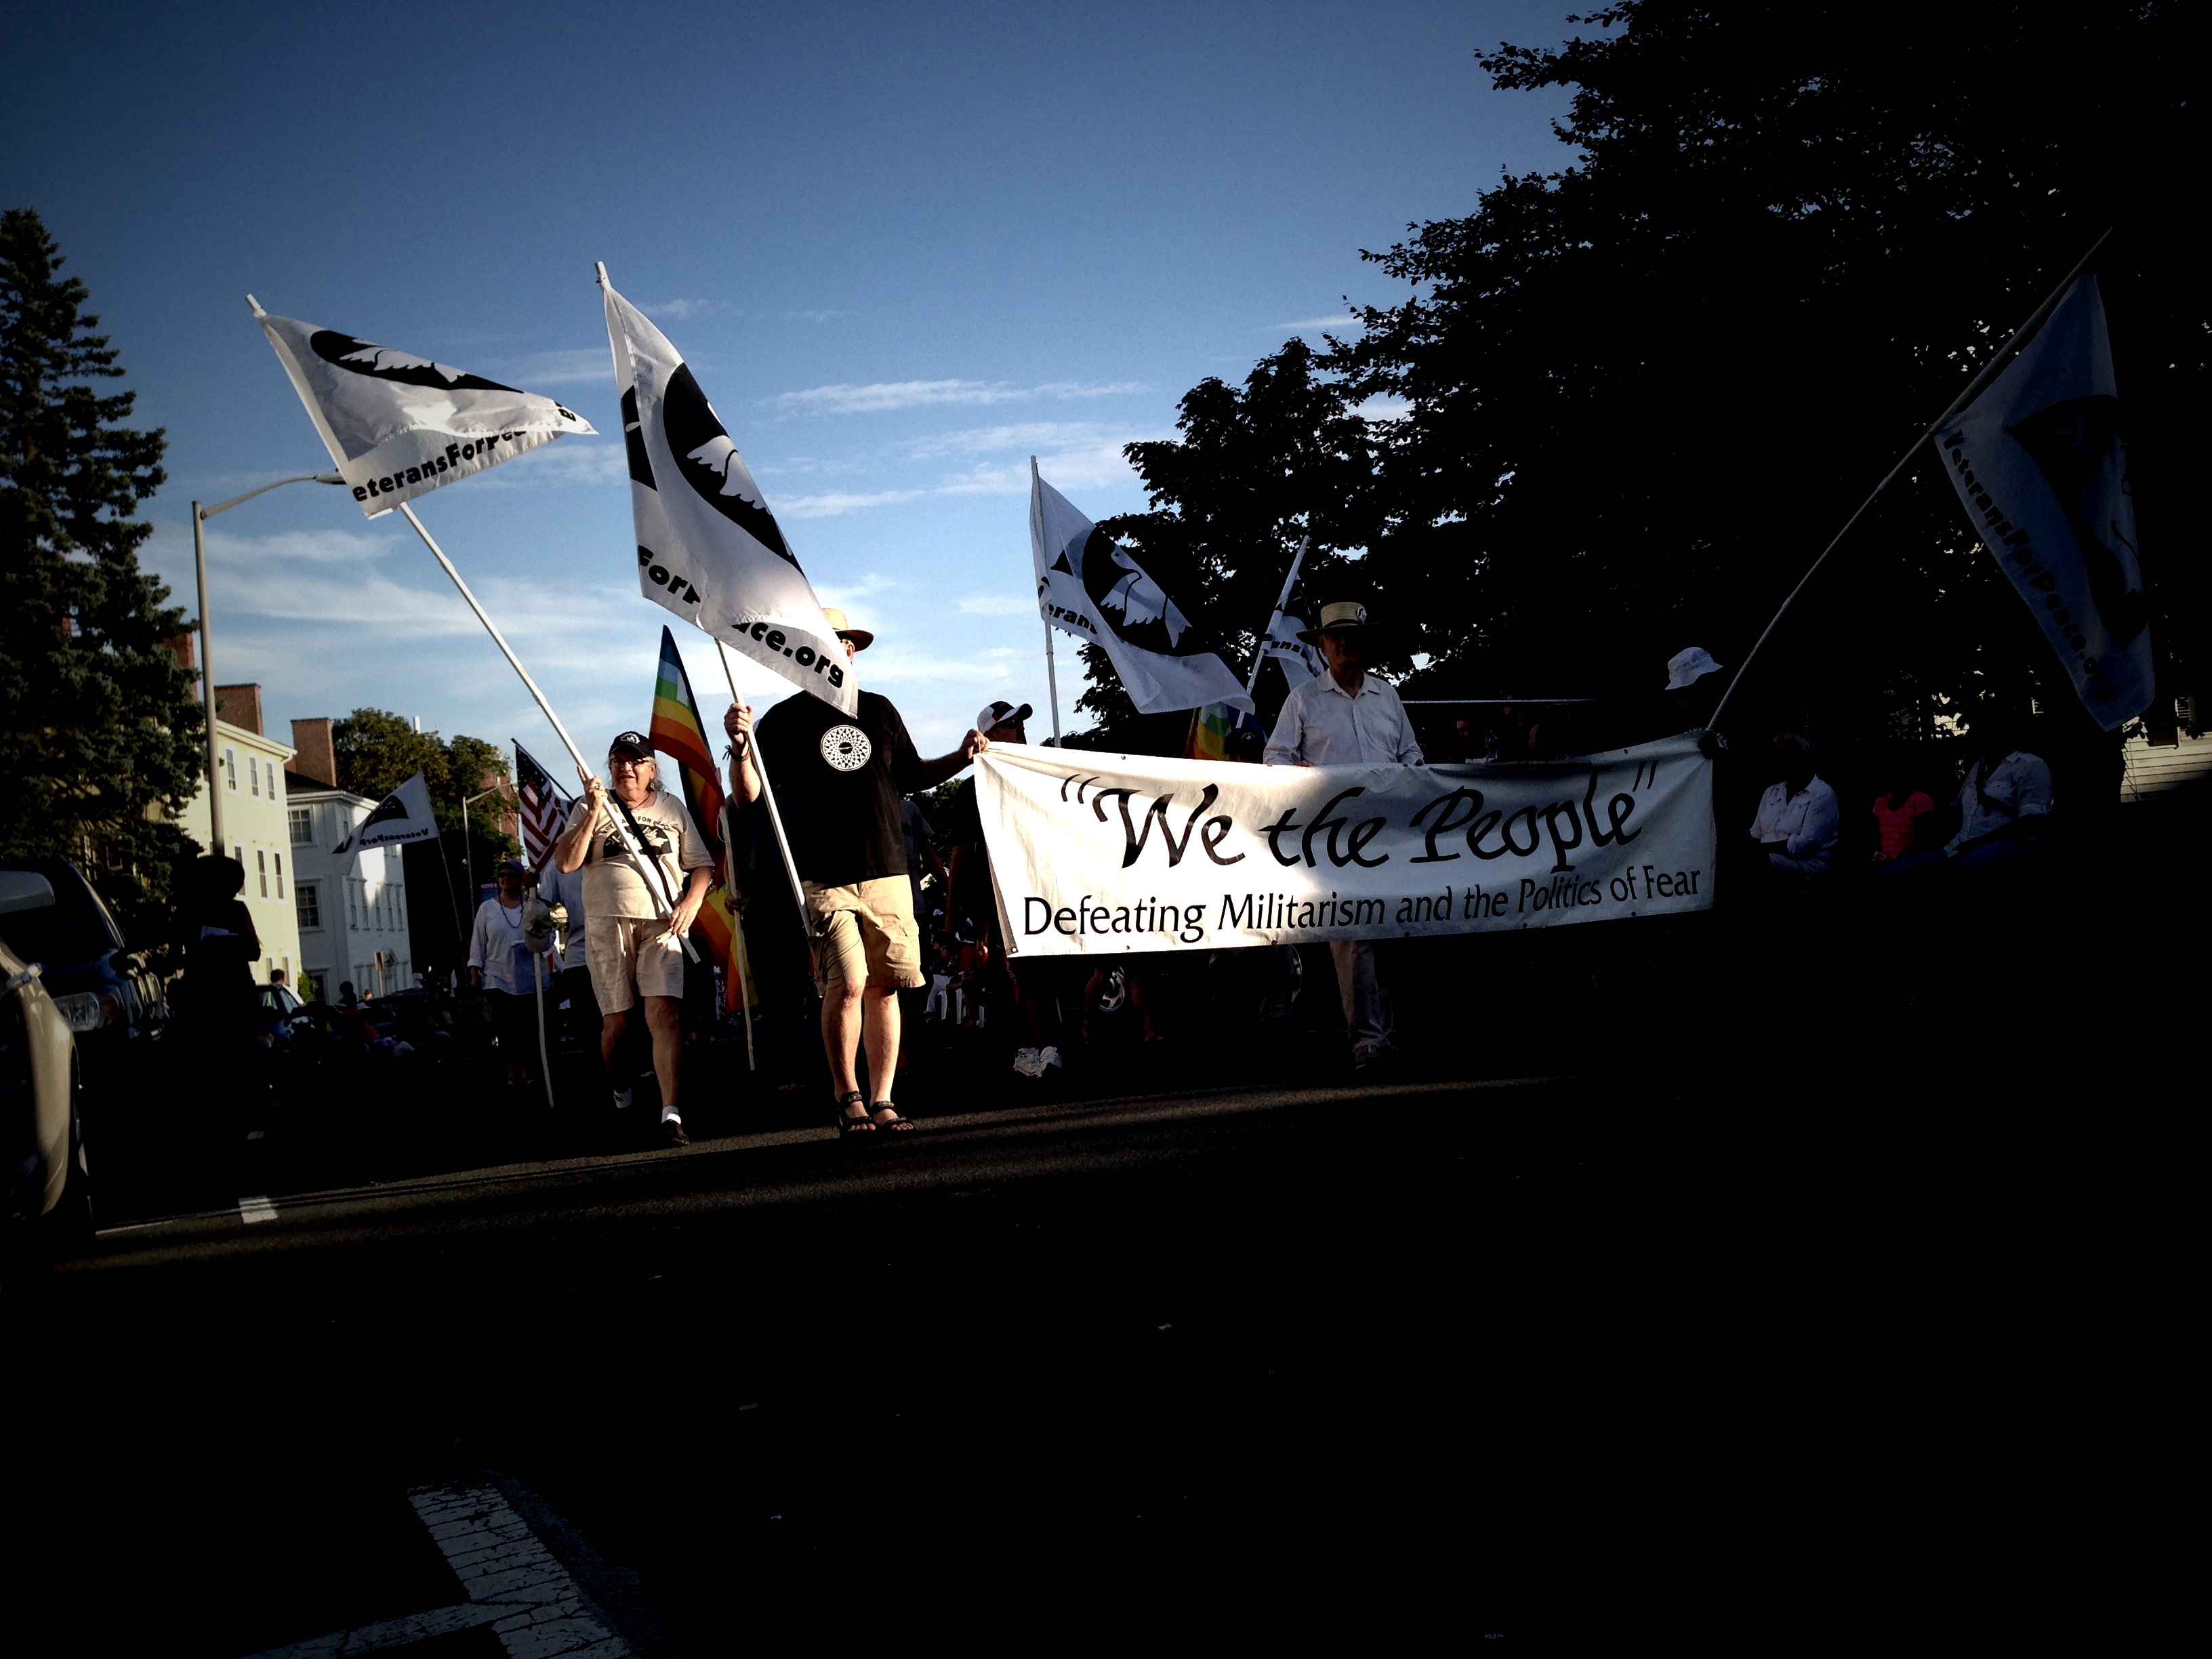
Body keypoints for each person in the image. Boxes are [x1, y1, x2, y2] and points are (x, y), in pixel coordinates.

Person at [722, 609, 987, 1137]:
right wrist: (740, 748)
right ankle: (848, 1097)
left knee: (885, 988)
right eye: (825, 642)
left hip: (888, 872)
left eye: (844, 643)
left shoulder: (881, 710)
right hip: (824, 878)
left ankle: (883, 1098)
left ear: (851, 651)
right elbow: (749, 795)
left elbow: (913, 775)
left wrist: (961, 757)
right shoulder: (781, 719)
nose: (838, 650)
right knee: (846, 984)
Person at [1264, 600, 1422, 1071]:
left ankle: (1386, 1036)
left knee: (1390, 930)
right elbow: (1274, 758)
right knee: (1353, 935)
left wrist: (1410, 777)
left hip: (1390, 834)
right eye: (1336, 637)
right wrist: (1299, 773)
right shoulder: (1303, 700)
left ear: (1364, 643)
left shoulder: (1387, 696)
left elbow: (1412, 755)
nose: (1344, 643)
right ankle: (1366, 1042)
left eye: (1352, 636)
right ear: (1323, 647)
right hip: (1336, 838)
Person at [552, 731, 714, 1146]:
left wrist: (692, 902)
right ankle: (621, 1090)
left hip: (662, 924)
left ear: (651, 769)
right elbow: (566, 863)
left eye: (635, 760)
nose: (626, 767)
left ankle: (670, 1113)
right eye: (618, 761)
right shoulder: (588, 806)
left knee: (664, 1014)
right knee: (619, 1025)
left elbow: (701, 865)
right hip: (607, 924)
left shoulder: (671, 807)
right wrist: (593, 810)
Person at [941, 700, 1076, 1081]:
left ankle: (1032, 1046)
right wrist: (953, 913)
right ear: (987, 735)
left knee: (1038, 975)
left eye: (1021, 723)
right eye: (1010, 724)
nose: (1020, 730)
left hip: (1042, 891)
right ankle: (1040, 1046)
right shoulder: (972, 789)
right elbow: (961, 855)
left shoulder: (1039, 779)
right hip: (997, 898)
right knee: (1018, 974)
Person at [1874, 719, 2052, 889]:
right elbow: (1954, 811)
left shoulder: (2030, 765)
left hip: (2008, 845)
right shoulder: (1978, 768)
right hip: (1958, 847)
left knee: (1962, 870)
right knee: (1885, 876)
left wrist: (1977, 843)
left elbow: (2032, 821)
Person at [466, 858, 541, 1087]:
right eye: (502, 875)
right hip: (497, 977)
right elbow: (478, 941)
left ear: (520, 880)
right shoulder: (488, 909)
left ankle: (528, 1069)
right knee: (505, 1028)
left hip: (527, 977)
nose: (505, 878)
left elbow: (544, 936)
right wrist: (475, 972)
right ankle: (512, 1071)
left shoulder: (531, 904)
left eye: (511, 875)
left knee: (526, 1028)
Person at [1746, 733, 1841, 886]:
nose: (1777, 761)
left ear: (1802, 758)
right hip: (1767, 858)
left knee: (1756, 864)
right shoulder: (1771, 792)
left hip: (1806, 866)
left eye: (1783, 755)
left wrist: (1759, 850)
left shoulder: (1822, 794)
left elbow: (1805, 845)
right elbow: (1756, 831)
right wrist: (1749, 848)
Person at [537, 853, 599, 1050]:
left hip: (620, 947)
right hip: (580, 952)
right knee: (585, 1017)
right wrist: (533, 898)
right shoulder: (558, 865)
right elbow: (542, 906)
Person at [1870, 762, 1937, 866]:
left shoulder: (1921, 800)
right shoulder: (1880, 803)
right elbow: (1875, 838)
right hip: (1884, 864)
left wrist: (1895, 864)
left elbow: (1924, 842)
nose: (1886, 772)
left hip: (1911, 864)